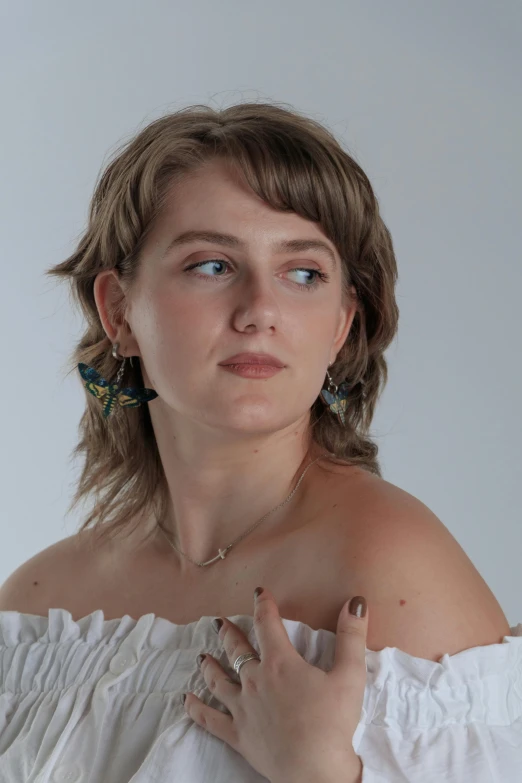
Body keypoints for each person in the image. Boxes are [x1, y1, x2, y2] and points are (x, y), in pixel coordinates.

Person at [0, 101, 520, 782]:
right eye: (212, 265)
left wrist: (324, 775)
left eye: (303, 273)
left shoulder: (393, 572)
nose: (260, 311)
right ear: (118, 310)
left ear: (339, 324)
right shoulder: (40, 611)